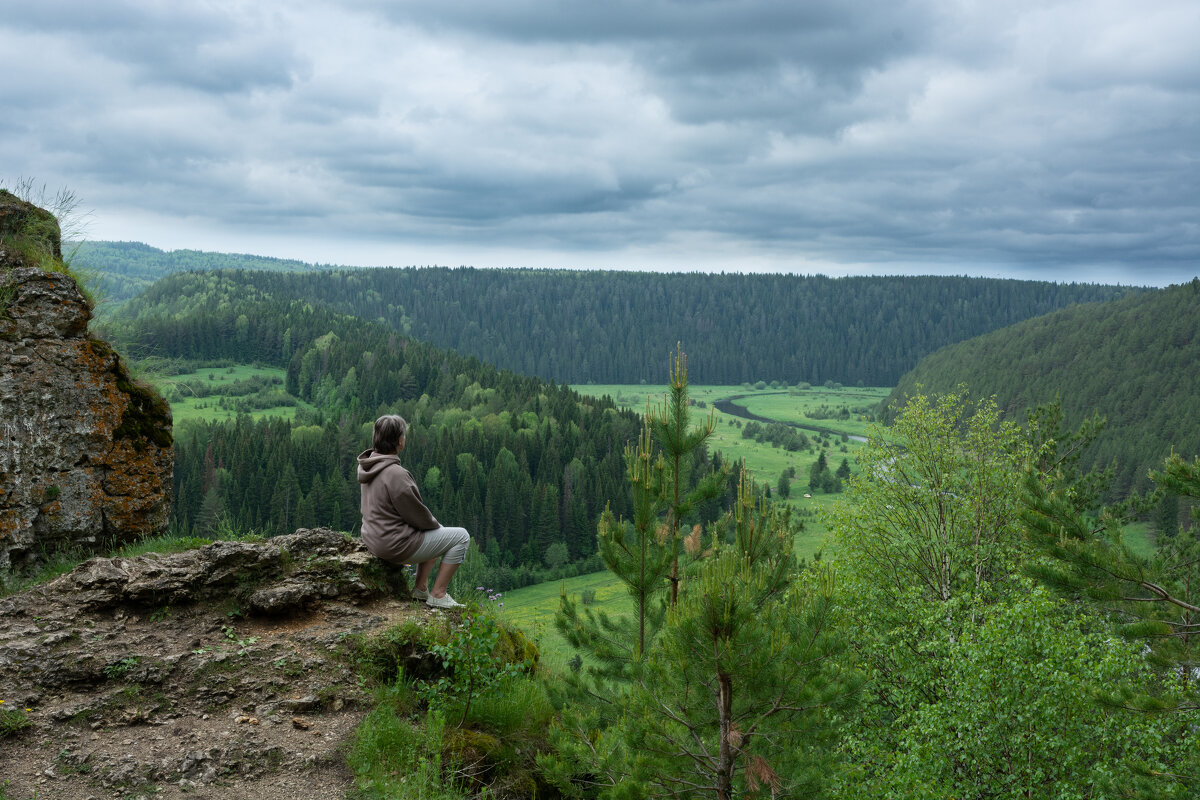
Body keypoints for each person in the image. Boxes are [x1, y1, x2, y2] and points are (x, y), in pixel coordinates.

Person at [358, 414, 470, 609]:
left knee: (438, 533)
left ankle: (420, 589)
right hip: (394, 544)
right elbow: (416, 514)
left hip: (374, 537)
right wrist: (434, 525)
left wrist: (435, 529)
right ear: (400, 441)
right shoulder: (396, 474)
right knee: (461, 536)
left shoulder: (369, 466)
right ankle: (438, 594)